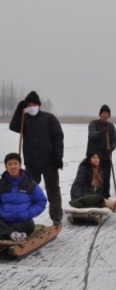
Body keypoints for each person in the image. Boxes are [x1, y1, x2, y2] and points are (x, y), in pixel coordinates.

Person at [9, 91, 64, 226]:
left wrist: (58, 157)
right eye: (29, 105)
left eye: (34, 104)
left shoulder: (49, 118)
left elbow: (58, 137)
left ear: (39, 105)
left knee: (53, 190)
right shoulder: (24, 119)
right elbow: (13, 126)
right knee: (26, 191)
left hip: (49, 162)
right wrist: (18, 110)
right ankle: (25, 219)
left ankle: (56, 218)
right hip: (32, 163)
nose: (31, 106)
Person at [0, 153, 47, 242]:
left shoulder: (29, 184)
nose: (13, 166)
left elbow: (41, 201)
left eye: (15, 163)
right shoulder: (1, 184)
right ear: (6, 167)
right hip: (5, 221)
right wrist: (2, 212)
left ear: (20, 165)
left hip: (23, 223)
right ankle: (12, 234)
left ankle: (6, 233)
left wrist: (28, 213)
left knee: (29, 226)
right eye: (10, 164)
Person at [86, 104, 116, 199]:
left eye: (107, 113)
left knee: (106, 178)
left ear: (109, 115)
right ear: (100, 114)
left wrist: (111, 148)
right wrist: (101, 133)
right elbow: (91, 135)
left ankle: (105, 197)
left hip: (106, 157)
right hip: (94, 157)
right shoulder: (93, 124)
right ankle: (91, 196)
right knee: (93, 177)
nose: (105, 115)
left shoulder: (111, 126)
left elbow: (115, 140)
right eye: (104, 113)